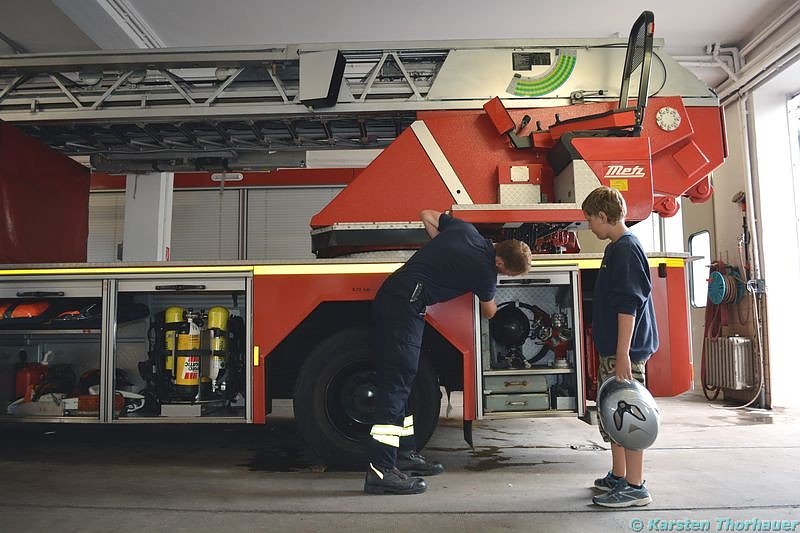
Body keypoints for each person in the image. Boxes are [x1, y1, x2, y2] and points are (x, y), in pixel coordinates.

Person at [364, 209, 533, 495]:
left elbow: (427, 214)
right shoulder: (486, 271)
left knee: (403, 382)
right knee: (396, 383)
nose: (502, 276)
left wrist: (439, 248)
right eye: (506, 272)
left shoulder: (467, 231)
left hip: (398, 299)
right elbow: (490, 311)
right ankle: (380, 472)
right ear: (500, 261)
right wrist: (494, 286)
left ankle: (403, 456)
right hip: (404, 305)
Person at [581, 186, 659, 508]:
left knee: (630, 415)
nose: (589, 226)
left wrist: (623, 354)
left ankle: (635, 486)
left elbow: (628, 305)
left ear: (603, 216)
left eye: (589, 219)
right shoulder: (616, 247)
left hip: (624, 351)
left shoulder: (626, 249)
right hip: (615, 350)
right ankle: (619, 474)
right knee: (614, 414)